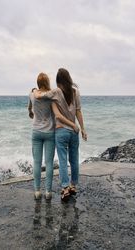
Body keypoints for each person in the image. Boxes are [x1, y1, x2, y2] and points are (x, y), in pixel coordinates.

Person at [34, 68, 87, 201]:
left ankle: (65, 188)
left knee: (63, 161)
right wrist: (82, 128)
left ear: (58, 81)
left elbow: (40, 96)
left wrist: (34, 91)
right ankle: (73, 185)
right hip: (74, 132)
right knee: (74, 159)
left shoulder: (57, 92)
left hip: (61, 131)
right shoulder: (76, 92)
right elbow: (78, 111)